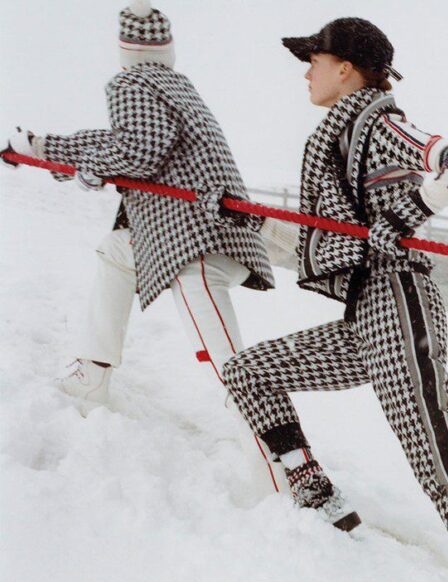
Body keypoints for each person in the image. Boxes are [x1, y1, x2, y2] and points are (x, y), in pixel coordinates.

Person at [222, 18, 448, 582]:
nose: (306, 71)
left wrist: (407, 214)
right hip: (365, 312)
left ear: (347, 67)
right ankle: (316, 491)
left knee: (433, 445)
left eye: (314, 59)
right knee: (248, 372)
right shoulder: (340, 132)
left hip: (400, 303)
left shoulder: (377, 124)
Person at [2, 0, 281, 490]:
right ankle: (93, 371)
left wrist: (91, 167)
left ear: (124, 51)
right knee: (117, 251)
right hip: (196, 229)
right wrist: (46, 148)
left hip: (192, 241)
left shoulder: (130, 82)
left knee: (229, 365)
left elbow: (140, 149)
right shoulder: (174, 85)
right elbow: (128, 139)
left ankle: (280, 470)